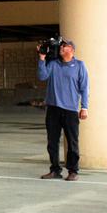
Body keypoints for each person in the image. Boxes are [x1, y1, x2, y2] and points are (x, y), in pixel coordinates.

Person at [37, 38, 89, 181]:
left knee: (72, 142)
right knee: (52, 142)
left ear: (72, 50)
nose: (61, 47)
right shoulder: (53, 64)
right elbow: (42, 76)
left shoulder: (79, 65)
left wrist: (84, 107)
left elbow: (84, 88)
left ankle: (73, 171)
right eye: (61, 46)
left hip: (70, 110)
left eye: (64, 46)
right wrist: (42, 58)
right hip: (53, 109)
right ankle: (55, 170)